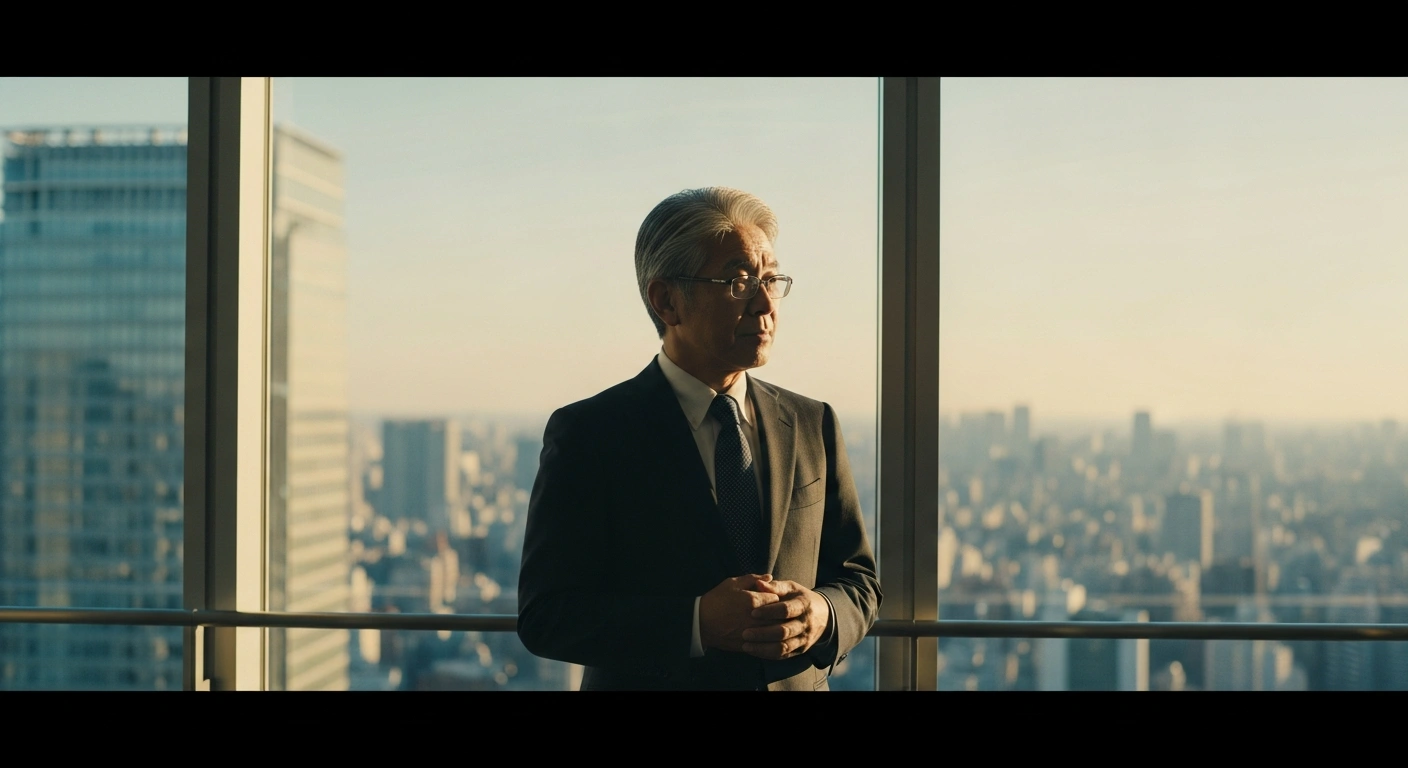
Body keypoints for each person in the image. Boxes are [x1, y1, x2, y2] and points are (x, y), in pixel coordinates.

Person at [517, 187, 880, 690]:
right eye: (738, 281)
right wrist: (696, 624)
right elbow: (547, 615)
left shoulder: (811, 422)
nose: (765, 302)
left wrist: (821, 613)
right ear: (667, 301)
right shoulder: (592, 433)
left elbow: (859, 581)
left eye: (771, 279)